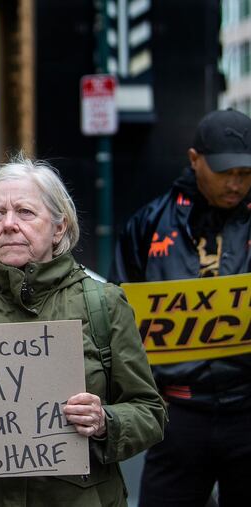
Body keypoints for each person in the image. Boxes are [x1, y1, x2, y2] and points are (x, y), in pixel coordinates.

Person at [0, 156, 166, 506]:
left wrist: (106, 421)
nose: (8, 224)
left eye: (25, 212)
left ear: (59, 227)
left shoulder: (103, 303)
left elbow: (150, 411)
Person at [110, 109, 251, 507]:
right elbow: (119, 315)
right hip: (178, 412)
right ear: (194, 160)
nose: (236, 184)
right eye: (226, 172)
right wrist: (143, 389)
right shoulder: (147, 224)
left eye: (245, 173)